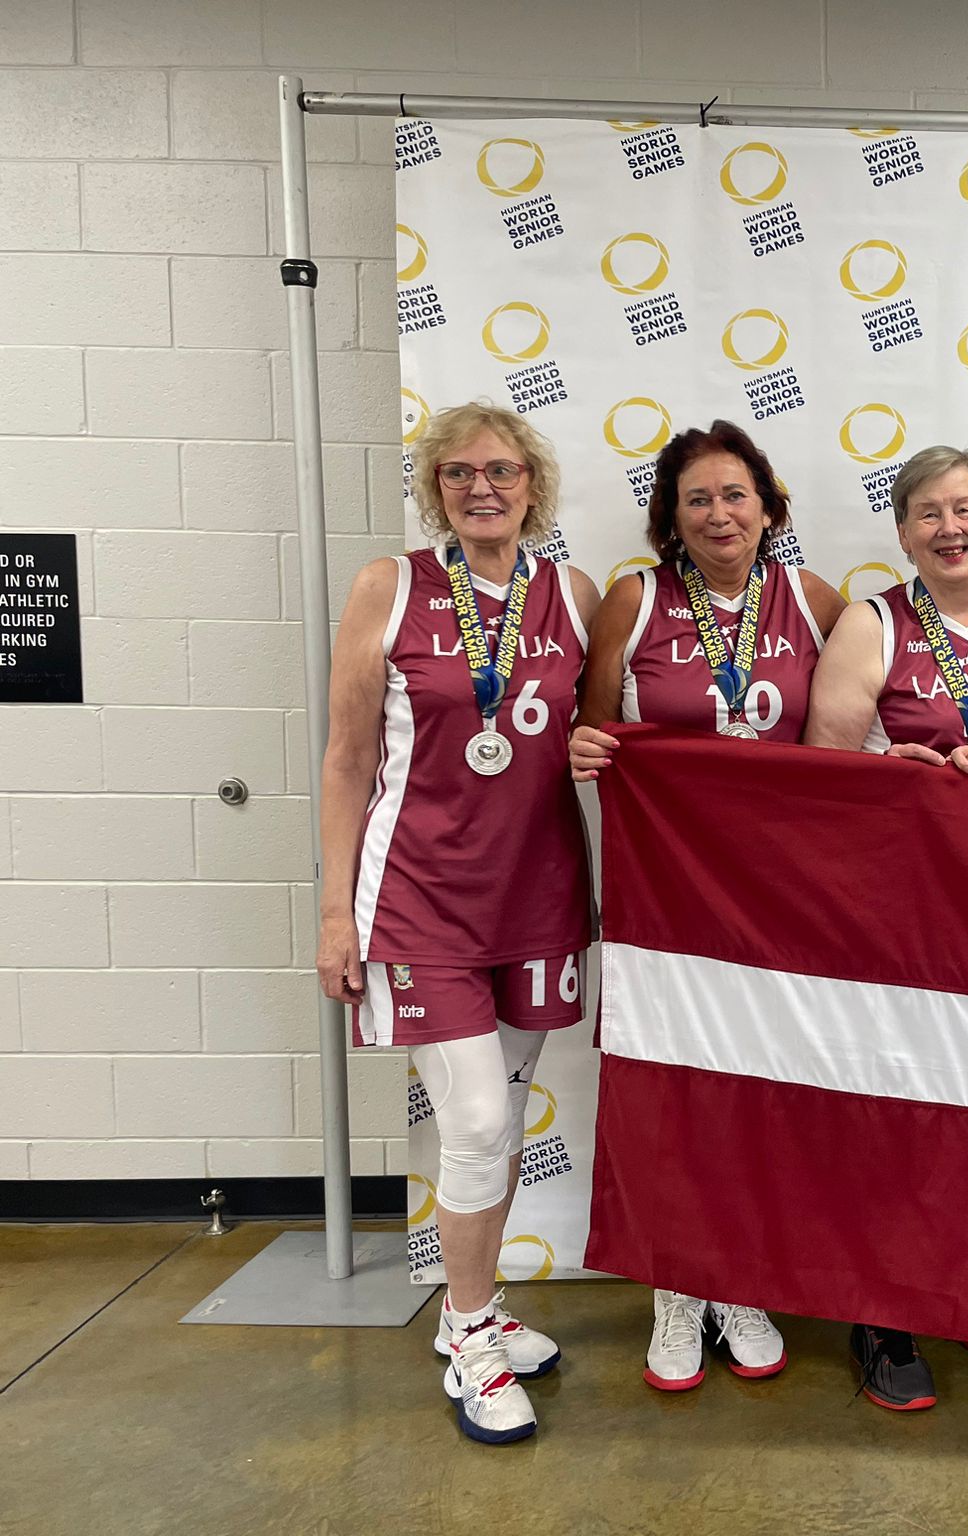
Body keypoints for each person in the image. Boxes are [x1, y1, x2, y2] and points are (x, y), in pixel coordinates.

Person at [317, 402, 598, 1445]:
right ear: (435, 488)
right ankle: (469, 1329)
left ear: (533, 485)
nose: (483, 487)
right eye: (459, 473)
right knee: (475, 1123)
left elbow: (596, 733)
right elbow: (349, 757)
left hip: (537, 898)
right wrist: (333, 914)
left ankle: (473, 1311)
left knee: (504, 1116)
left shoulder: (572, 594)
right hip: (419, 901)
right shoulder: (387, 588)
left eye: (502, 470)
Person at [570, 420, 846, 1396]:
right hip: (669, 896)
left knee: (756, 1089)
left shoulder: (813, 601)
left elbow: (853, 739)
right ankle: (676, 1285)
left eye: (735, 495)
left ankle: (738, 1278)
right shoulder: (635, 600)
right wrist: (584, 748)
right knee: (672, 1086)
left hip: (781, 900)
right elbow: (591, 727)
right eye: (698, 499)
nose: (719, 514)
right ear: (671, 518)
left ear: (768, 508)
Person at [803, 444, 968, 1417]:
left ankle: (965, 1284)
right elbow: (821, 778)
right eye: (928, 515)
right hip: (895, 916)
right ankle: (880, 1314)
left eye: (965, 509)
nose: (950, 529)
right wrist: (893, 774)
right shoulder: (870, 625)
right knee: (894, 1112)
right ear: (903, 532)